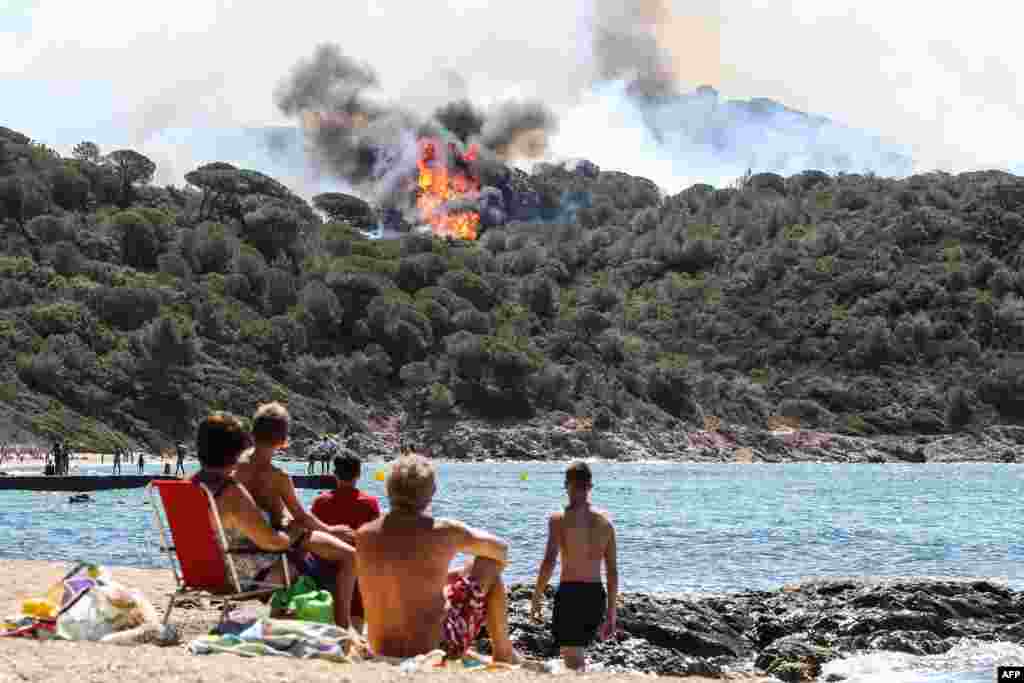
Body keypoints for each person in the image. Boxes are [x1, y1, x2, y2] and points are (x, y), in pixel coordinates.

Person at [356, 453, 521, 663]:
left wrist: (447, 575)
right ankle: (504, 652)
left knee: (466, 570)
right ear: (431, 491)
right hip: (434, 649)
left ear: (388, 489)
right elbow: (501, 551)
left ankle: (503, 651)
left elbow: (404, 577)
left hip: (380, 648)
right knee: (488, 564)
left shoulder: (364, 534)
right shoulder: (443, 531)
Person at [232, 402, 357, 628]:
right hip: (270, 550)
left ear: (253, 433)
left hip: (235, 554)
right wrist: (331, 530)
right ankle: (343, 626)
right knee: (350, 556)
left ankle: (283, 607)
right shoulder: (277, 477)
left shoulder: (234, 469)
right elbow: (301, 517)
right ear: (283, 441)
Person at [530, 461, 618, 672]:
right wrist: (612, 613)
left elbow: (549, 561)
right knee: (577, 657)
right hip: (596, 595)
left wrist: (537, 595)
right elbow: (612, 571)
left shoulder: (558, 518)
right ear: (590, 486)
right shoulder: (606, 522)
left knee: (572, 660)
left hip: (570, 593)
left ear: (566, 485)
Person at [311, 451, 381, 633]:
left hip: (324, 569)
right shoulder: (370, 503)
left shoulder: (320, 502)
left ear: (335, 473)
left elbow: (313, 535)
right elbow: (374, 540)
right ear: (359, 474)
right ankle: (355, 635)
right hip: (358, 572)